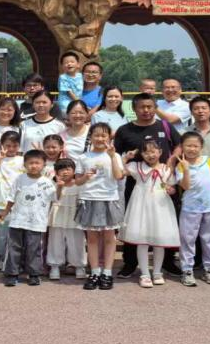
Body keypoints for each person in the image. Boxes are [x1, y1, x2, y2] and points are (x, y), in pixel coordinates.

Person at [114, 92, 182, 278]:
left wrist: (172, 161)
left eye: (149, 106)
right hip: (136, 183)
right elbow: (116, 154)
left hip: (163, 181)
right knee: (134, 222)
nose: (146, 110)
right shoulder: (124, 130)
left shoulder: (165, 126)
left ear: (155, 107)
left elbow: (179, 144)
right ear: (134, 109)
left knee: (165, 222)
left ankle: (168, 262)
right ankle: (130, 263)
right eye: (141, 107)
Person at [171, 131, 210, 287]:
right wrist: (186, 169)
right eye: (188, 146)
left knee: (209, 239)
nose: (192, 149)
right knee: (187, 240)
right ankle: (187, 271)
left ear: (201, 147)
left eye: (195, 146)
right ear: (182, 147)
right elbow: (185, 186)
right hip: (190, 208)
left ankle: (209, 270)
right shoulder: (180, 165)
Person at [120, 138, 179, 288]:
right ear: (141, 154)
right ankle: (145, 274)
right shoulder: (136, 166)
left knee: (160, 241)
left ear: (160, 152)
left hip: (161, 207)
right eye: (146, 152)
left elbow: (171, 187)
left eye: (153, 151)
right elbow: (120, 173)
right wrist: (125, 158)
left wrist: (170, 190)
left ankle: (157, 272)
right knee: (142, 240)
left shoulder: (166, 169)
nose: (150, 155)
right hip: (140, 206)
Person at [0, 148, 62, 287]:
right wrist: (5, 211)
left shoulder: (47, 182)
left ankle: (34, 274)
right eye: (30, 163)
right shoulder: (20, 179)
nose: (34, 166)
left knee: (34, 249)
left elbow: (55, 198)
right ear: (25, 164)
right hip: (17, 220)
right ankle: (12, 274)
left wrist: (60, 187)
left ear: (44, 165)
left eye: (37, 163)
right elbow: (11, 197)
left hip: (36, 222)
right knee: (14, 247)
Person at [75, 123, 125, 290]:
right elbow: (77, 181)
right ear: (90, 137)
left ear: (109, 138)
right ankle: (95, 272)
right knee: (92, 238)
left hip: (109, 199)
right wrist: (85, 177)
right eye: (96, 135)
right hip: (88, 198)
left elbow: (118, 176)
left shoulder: (115, 156)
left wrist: (112, 157)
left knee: (110, 238)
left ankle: (107, 273)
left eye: (104, 135)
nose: (100, 139)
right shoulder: (84, 157)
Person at [0, 130, 24, 270]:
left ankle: (16, 261)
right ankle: (2, 259)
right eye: (8, 145)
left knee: (18, 234)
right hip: (1, 203)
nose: (11, 149)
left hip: (20, 204)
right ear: (1, 145)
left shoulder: (23, 160)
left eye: (15, 146)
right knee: (2, 235)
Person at [47, 157, 86, 281]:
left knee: (76, 241)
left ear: (74, 171)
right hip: (58, 216)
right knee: (55, 241)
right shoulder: (53, 184)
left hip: (74, 217)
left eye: (68, 169)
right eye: (61, 170)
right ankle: (55, 266)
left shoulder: (79, 184)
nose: (65, 172)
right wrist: (59, 187)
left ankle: (79, 265)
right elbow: (55, 199)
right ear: (56, 172)